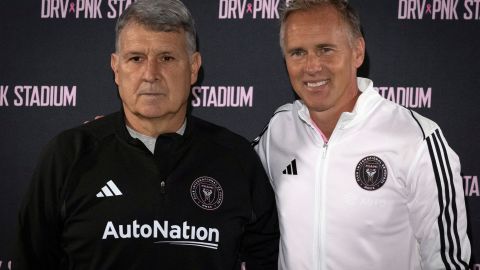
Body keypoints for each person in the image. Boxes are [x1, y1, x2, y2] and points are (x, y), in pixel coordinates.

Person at [14, 0, 279, 269]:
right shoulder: (68, 156)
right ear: (116, 68)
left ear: (193, 67)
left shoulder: (236, 159)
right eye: (136, 58)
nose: (150, 74)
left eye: (166, 58)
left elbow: (264, 257)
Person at [253, 0, 471, 269]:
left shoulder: (416, 138)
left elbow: (447, 261)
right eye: (297, 52)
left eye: (325, 49)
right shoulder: (278, 131)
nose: (311, 66)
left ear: (357, 52)